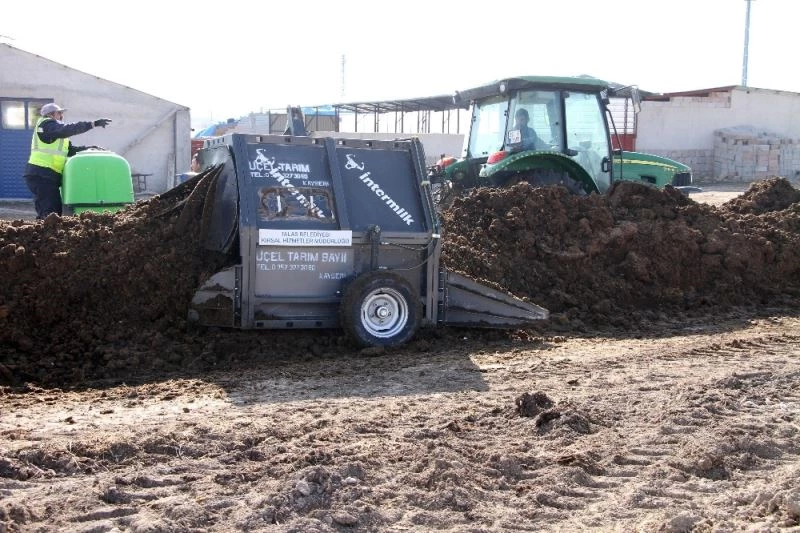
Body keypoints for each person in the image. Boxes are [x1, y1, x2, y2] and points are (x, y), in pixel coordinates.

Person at [24, 103, 112, 219]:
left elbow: (70, 150)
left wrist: (90, 148)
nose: (62, 116)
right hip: (41, 173)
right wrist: (92, 124)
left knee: (52, 210)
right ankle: (47, 229)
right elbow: (68, 129)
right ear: (51, 115)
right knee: (50, 211)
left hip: (45, 175)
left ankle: (47, 228)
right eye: (59, 113)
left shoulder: (55, 132)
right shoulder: (47, 125)